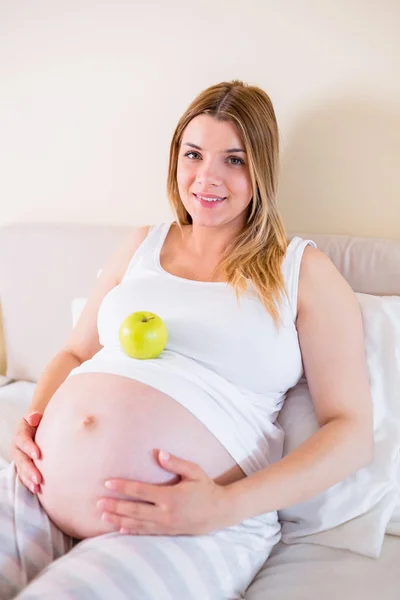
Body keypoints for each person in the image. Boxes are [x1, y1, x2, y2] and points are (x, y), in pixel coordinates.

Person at [0, 80, 373, 599]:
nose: (207, 177)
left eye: (234, 160)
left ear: (261, 171)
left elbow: (351, 431)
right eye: (193, 154)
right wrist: (32, 425)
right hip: (40, 484)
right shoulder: (142, 245)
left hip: (196, 520)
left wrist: (227, 505)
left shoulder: (301, 271)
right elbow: (74, 352)